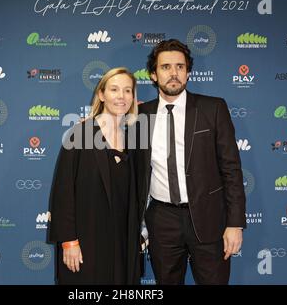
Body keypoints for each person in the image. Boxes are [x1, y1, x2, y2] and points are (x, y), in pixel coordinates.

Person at [135, 39, 246, 285]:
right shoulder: (142, 115)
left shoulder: (213, 108)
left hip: (209, 218)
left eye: (180, 67)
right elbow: (111, 141)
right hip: (162, 219)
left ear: (188, 73)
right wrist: (89, 125)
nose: (173, 73)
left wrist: (235, 223)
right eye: (165, 67)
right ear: (153, 75)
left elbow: (231, 170)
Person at [48, 67, 141, 284]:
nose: (121, 96)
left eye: (128, 91)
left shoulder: (134, 138)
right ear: (101, 94)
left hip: (123, 243)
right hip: (87, 240)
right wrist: (69, 241)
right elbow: (63, 192)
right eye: (115, 89)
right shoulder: (81, 134)